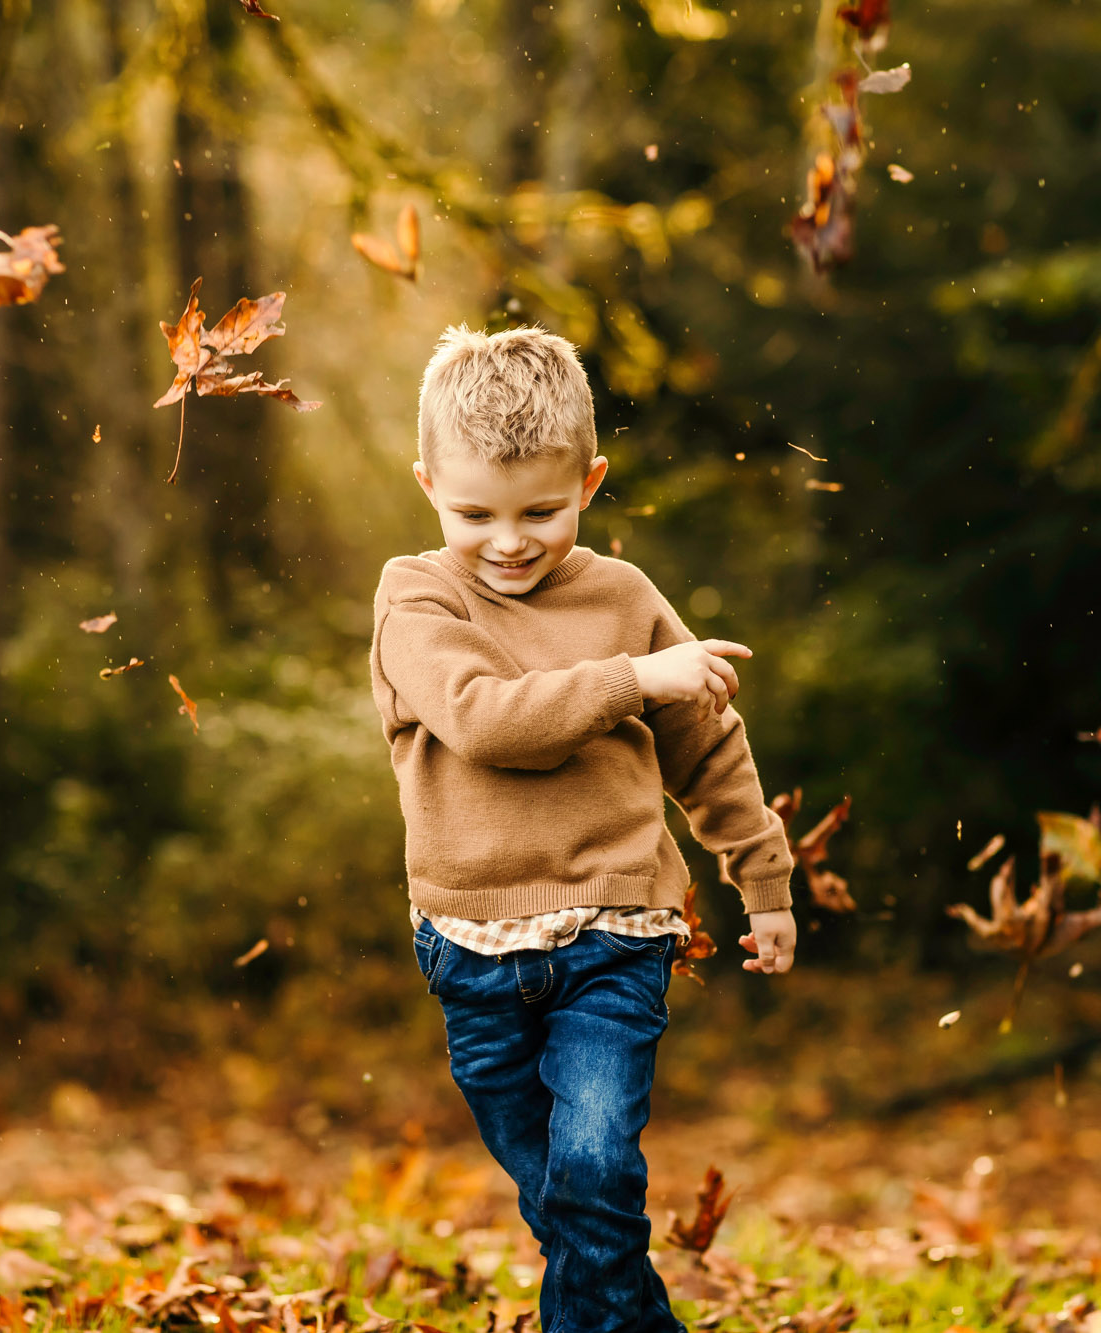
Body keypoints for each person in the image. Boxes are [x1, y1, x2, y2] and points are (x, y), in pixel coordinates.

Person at [368, 324, 798, 1333]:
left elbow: (705, 748)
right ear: (427, 481)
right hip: (470, 949)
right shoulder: (416, 597)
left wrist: (762, 881)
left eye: (541, 511)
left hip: (616, 932)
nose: (508, 540)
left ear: (590, 483)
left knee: (597, 1162)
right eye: (475, 511)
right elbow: (480, 720)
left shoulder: (623, 598)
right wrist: (632, 680)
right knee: (566, 1194)